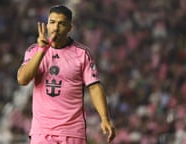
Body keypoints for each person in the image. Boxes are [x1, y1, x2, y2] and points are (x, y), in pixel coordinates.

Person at [17, 5, 115, 144]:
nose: (55, 28)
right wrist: (42, 51)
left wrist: (105, 119)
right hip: (42, 132)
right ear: (47, 24)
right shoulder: (33, 51)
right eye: (52, 22)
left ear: (69, 28)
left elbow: (94, 87)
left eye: (61, 24)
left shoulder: (82, 54)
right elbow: (22, 79)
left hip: (72, 132)